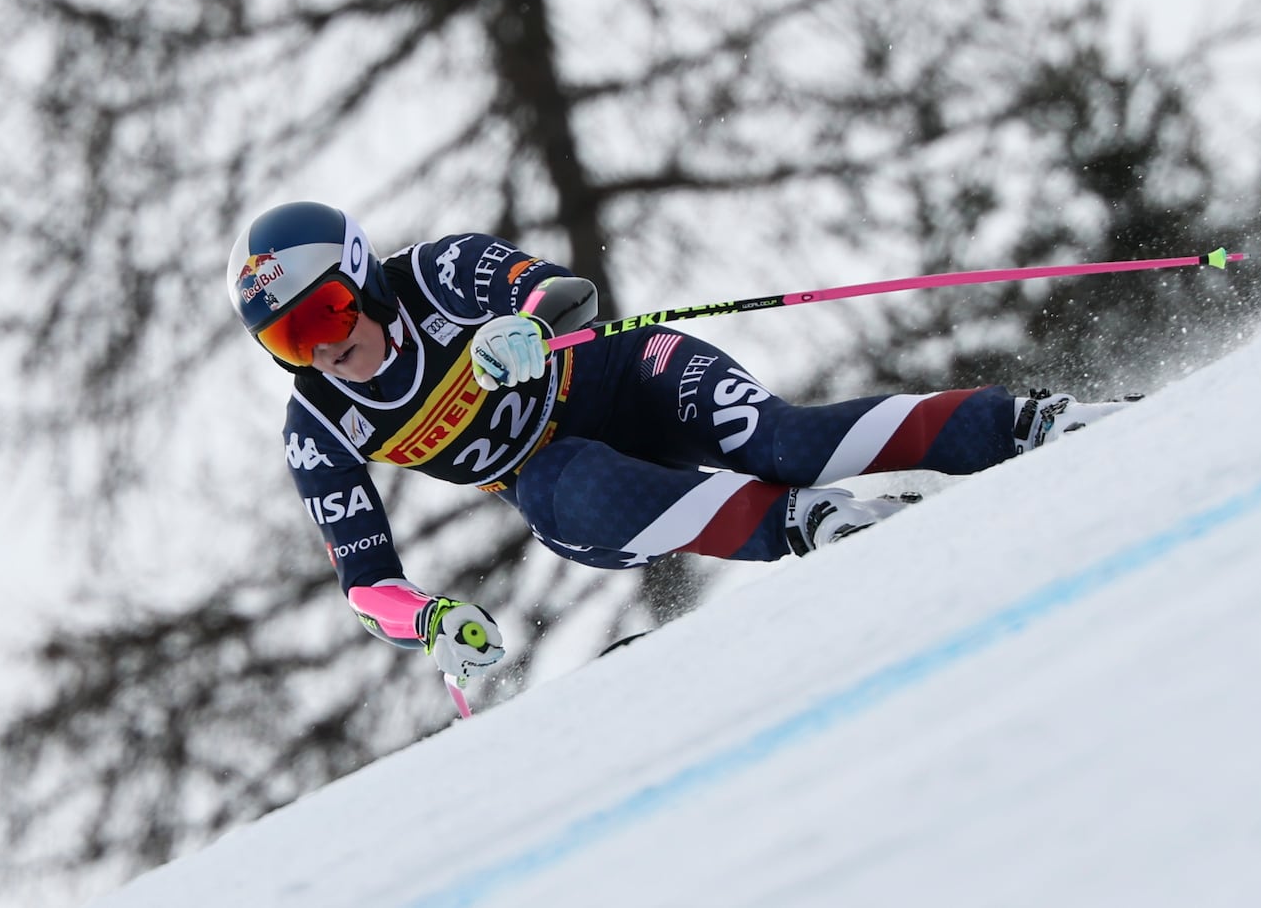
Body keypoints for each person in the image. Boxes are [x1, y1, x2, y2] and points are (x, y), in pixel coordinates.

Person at [227, 202, 1131, 685]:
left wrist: (527, 326)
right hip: (551, 464)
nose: (325, 346)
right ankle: (811, 527)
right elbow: (366, 582)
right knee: (566, 496)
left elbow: (562, 291)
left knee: (781, 438)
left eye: (327, 311)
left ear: (361, 276)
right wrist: (426, 620)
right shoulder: (320, 425)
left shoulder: (433, 273)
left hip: (622, 375)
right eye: (290, 341)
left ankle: (1026, 421)